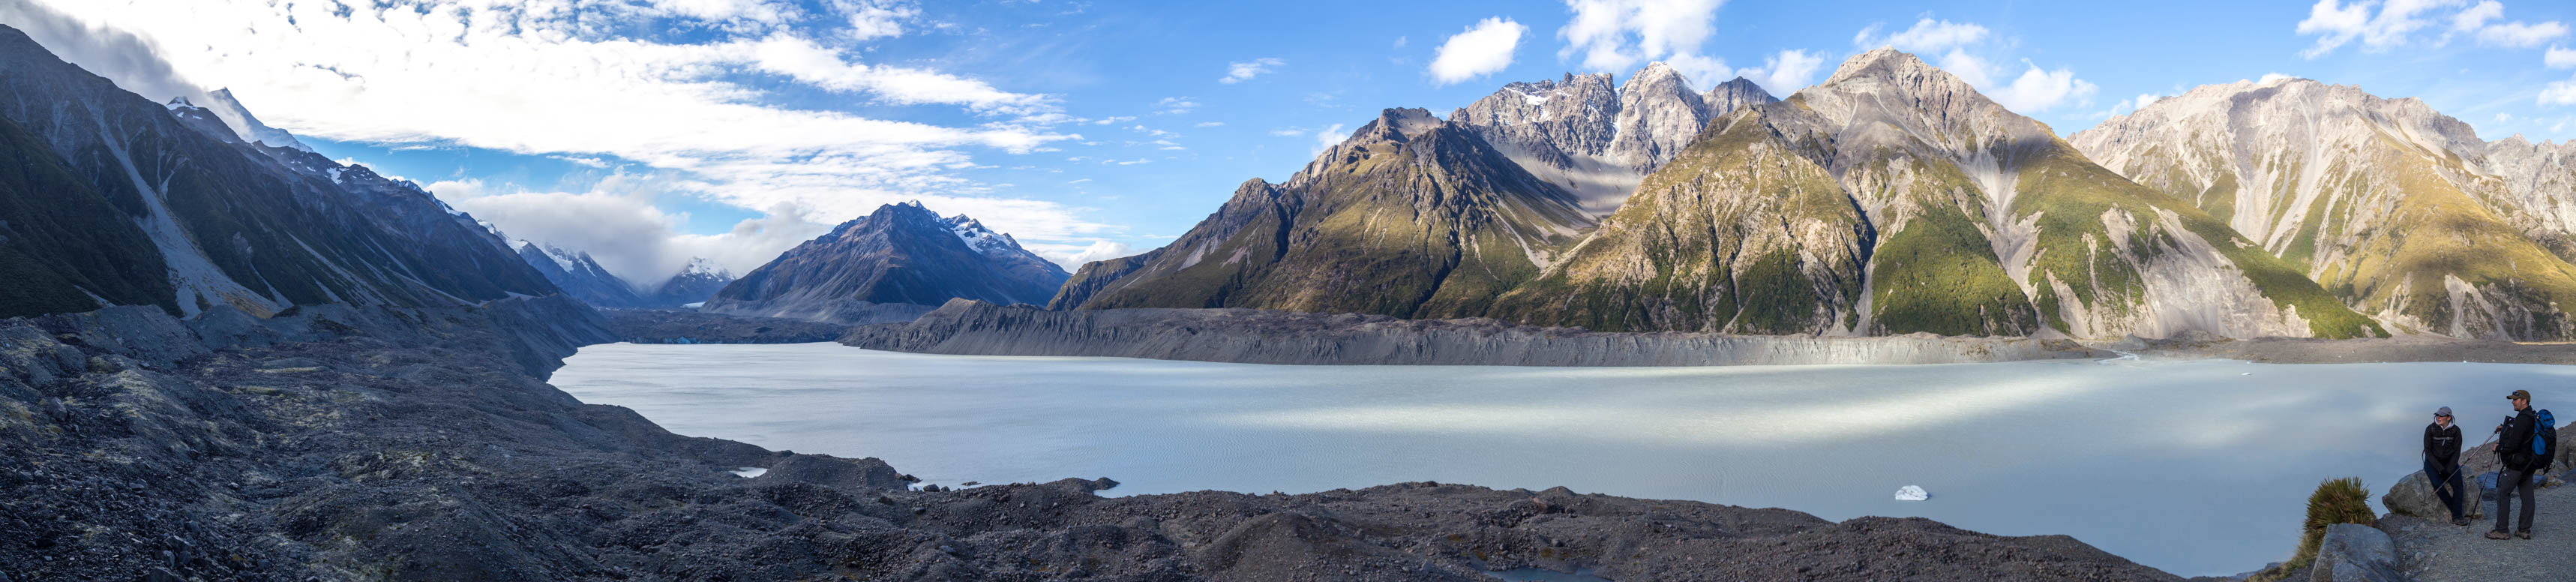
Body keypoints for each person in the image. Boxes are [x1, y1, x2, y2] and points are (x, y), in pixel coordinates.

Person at [2489, 389, 2542, 540]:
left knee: (2503, 493)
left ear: (2524, 401)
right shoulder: (2532, 416)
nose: (2512, 402)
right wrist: (2505, 428)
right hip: (2529, 464)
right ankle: (2524, 530)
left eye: (2515, 400)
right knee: (2527, 496)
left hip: (2517, 465)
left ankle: (2502, 530)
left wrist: (2498, 447)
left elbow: (2514, 443)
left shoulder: (2523, 419)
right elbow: (2522, 435)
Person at [2425, 406, 2467, 526]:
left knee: (2458, 486)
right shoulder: (2430, 429)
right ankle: (2456, 512)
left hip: (2450, 462)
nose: (2438, 418)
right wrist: (2440, 469)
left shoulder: (2456, 431)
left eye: (2441, 416)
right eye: (2437, 415)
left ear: (2449, 418)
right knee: (2438, 484)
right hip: (2432, 463)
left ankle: (2457, 517)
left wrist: (2449, 469)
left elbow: (2456, 452)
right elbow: (2428, 452)